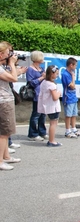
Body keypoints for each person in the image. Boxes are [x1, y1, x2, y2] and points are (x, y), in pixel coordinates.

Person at [0, 41, 22, 170]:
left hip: (5, 100)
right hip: (3, 101)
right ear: (1, 54)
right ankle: (0, 161)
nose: (10, 55)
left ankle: (6, 156)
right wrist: (12, 64)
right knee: (4, 133)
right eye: (8, 53)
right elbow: (14, 78)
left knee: (6, 133)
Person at [38, 65, 62, 147]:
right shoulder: (52, 85)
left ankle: (51, 140)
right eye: (56, 73)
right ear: (52, 74)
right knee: (53, 124)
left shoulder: (44, 82)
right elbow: (55, 97)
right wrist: (59, 93)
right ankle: (51, 141)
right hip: (53, 107)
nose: (57, 75)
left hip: (47, 106)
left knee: (52, 123)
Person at [26, 51, 48, 141]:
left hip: (44, 94)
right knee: (36, 115)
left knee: (43, 114)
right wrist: (42, 77)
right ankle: (33, 133)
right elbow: (31, 83)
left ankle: (42, 132)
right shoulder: (30, 69)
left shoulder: (41, 68)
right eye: (41, 57)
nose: (43, 59)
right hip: (36, 94)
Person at [62, 57, 80, 138]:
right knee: (68, 115)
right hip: (68, 97)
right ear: (71, 65)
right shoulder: (65, 74)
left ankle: (74, 129)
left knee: (74, 114)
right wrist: (73, 77)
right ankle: (67, 131)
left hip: (73, 97)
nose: (76, 67)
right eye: (75, 65)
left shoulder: (70, 73)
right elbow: (72, 86)